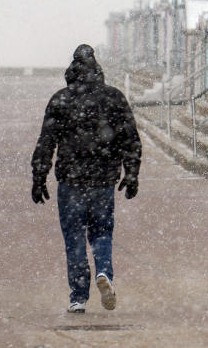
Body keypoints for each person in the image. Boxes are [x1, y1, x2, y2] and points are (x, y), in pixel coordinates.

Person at [31, 44, 142, 314]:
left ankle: (78, 296)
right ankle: (104, 271)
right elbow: (130, 138)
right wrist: (132, 172)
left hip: (70, 181)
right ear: (97, 69)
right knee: (102, 232)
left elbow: (46, 142)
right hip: (103, 180)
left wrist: (39, 175)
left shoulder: (60, 100)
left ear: (72, 70)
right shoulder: (113, 98)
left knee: (74, 237)